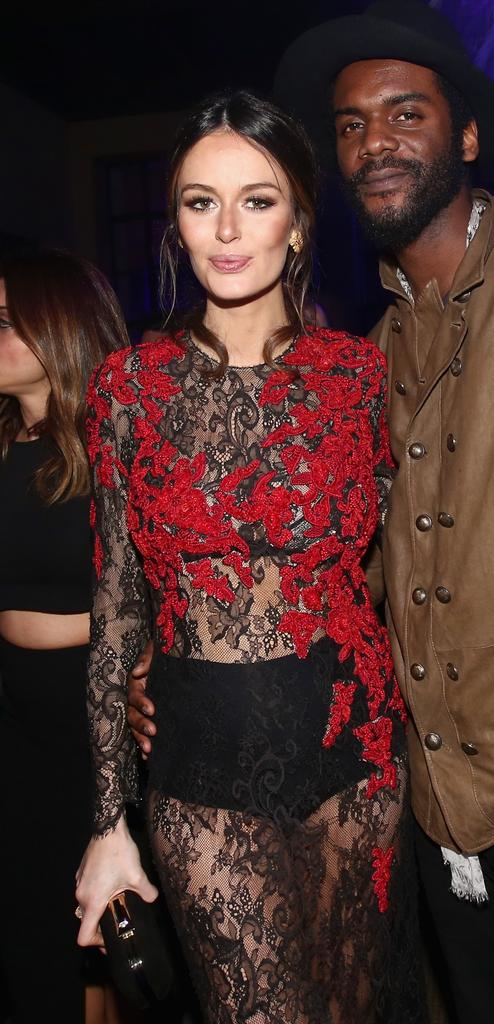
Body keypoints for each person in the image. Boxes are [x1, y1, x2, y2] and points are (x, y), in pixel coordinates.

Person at [131, 4, 494, 1019]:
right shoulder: (378, 349)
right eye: (352, 126)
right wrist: (186, 654)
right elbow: (353, 566)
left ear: (469, 136)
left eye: (407, 113)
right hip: (442, 814)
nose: (375, 141)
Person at [75, 91, 421, 1024]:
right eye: (199, 201)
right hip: (200, 773)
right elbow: (115, 614)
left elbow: (416, 570)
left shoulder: (359, 377)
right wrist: (108, 826)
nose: (226, 229)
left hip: (357, 753)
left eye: (257, 200)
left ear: (300, 224)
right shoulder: (129, 390)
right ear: (175, 223)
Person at [0, 249, 128, 1023]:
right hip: (12, 718)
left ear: (59, 330)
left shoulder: (114, 444)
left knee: (99, 938)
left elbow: (169, 590)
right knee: (31, 936)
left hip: (88, 717)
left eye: (6, 321)